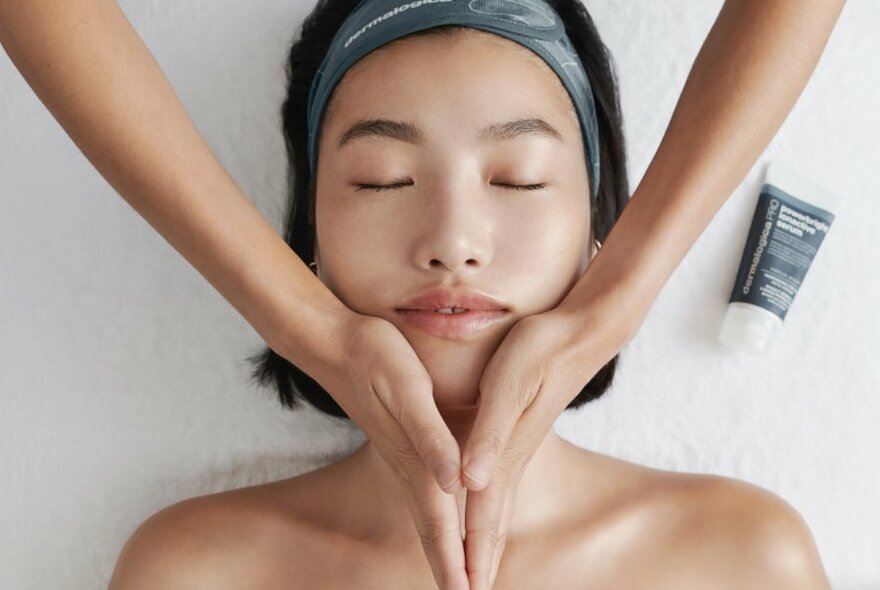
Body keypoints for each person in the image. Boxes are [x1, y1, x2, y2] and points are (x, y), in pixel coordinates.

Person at [0, 0, 846, 587]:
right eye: (381, 180)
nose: (452, 242)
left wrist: (622, 294)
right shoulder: (195, 571)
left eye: (517, 180)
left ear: (601, 236)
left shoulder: (743, 559)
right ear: (311, 246)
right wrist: (302, 323)